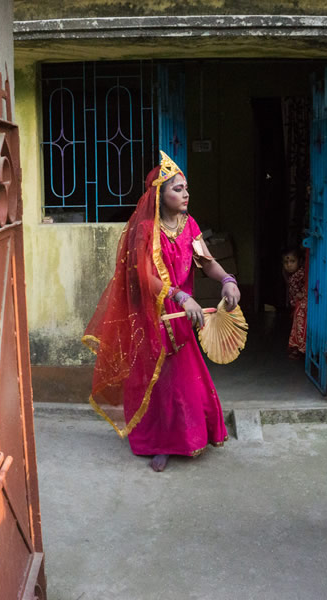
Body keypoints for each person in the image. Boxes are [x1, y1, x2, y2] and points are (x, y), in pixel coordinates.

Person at [83, 151, 241, 472]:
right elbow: (143, 277)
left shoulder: (189, 224)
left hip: (183, 315)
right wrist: (180, 297)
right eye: (178, 189)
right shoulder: (145, 231)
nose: (186, 194)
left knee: (182, 379)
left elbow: (205, 261)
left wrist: (227, 279)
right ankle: (160, 443)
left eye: (186, 188)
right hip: (155, 315)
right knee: (160, 382)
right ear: (159, 194)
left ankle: (188, 436)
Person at [282, 247, 307, 359]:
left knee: (299, 327)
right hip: (296, 305)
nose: (289, 265)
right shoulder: (291, 275)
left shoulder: (301, 273)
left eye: (292, 261)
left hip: (302, 305)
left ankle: (299, 349)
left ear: (300, 261)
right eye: (286, 262)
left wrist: (302, 295)